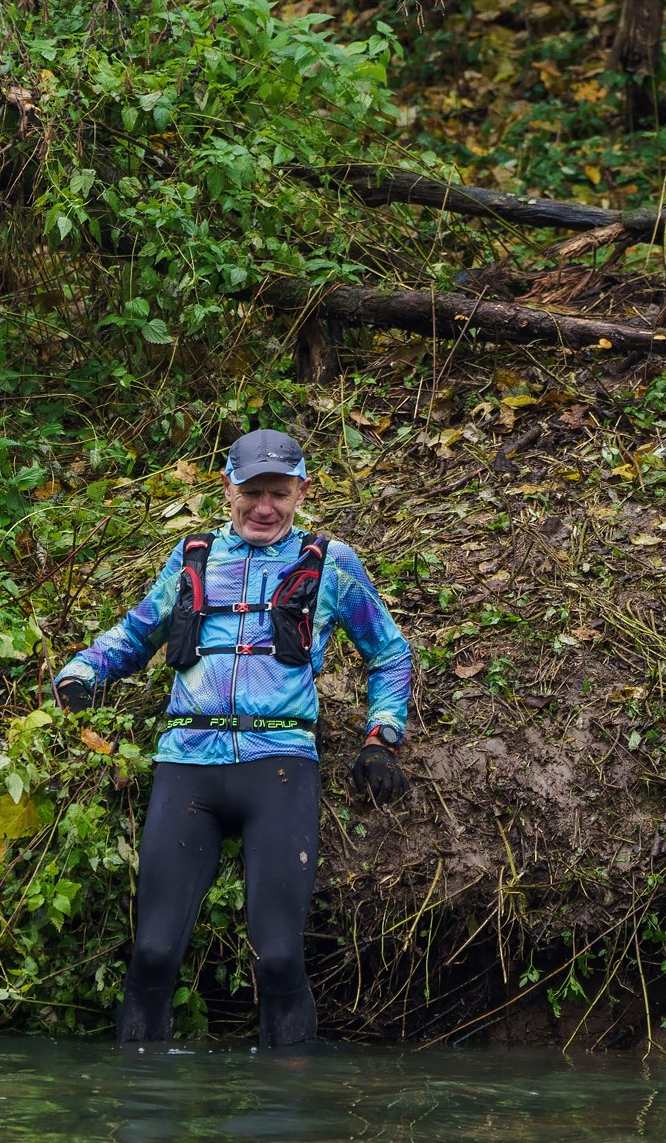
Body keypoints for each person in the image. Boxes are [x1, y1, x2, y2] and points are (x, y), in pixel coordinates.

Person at [54, 428, 413, 1051]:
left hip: (279, 767)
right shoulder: (193, 557)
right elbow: (137, 634)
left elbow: (389, 653)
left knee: (277, 958)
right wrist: (82, 672)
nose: (264, 507)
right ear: (228, 489)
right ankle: (143, 1122)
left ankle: (281, 1125)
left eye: (278, 492)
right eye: (252, 492)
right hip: (187, 765)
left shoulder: (331, 563)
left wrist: (381, 737)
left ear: (301, 491)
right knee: (153, 952)